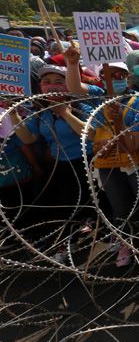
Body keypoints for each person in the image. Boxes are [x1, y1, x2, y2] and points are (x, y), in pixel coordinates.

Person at [64, 47, 139, 266]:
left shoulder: (137, 100)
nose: (115, 79)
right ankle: (126, 242)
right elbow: (74, 89)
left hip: (134, 158)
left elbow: (135, 141)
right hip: (106, 160)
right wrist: (72, 65)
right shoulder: (97, 96)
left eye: (120, 75)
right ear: (101, 78)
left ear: (128, 77)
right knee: (118, 204)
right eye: (110, 76)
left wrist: (118, 124)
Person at [10, 64, 102, 264]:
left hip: (86, 165)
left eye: (59, 82)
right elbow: (28, 138)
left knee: (88, 206)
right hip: (60, 166)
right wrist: (14, 115)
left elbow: (92, 134)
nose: (52, 87)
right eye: (47, 82)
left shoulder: (81, 107)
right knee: (65, 208)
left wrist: (66, 113)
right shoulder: (42, 112)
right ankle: (65, 244)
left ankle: (87, 243)